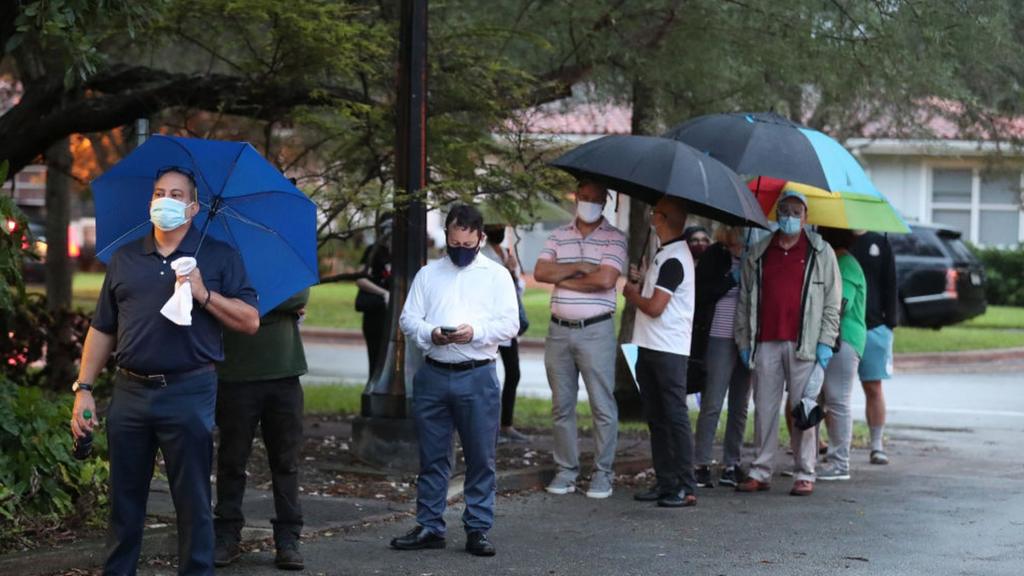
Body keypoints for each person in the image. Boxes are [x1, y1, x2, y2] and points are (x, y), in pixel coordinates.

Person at [70, 167, 259, 576]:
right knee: (124, 501)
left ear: (193, 207)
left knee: (191, 501)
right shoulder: (125, 258)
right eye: (159, 193)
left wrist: (204, 293)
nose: (165, 201)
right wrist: (84, 388)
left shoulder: (220, 255)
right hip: (130, 391)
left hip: (189, 391)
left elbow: (249, 321)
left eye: (176, 194)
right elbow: (103, 328)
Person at [391, 205, 519, 557]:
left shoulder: (496, 276)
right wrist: (433, 333)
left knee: (481, 457)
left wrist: (473, 333)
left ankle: (478, 528)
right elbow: (408, 319)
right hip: (433, 373)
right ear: (446, 236)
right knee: (432, 457)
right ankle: (430, 525)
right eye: (453, 241)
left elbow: (510, 324)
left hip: (477, 375)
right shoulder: (428, 274)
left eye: (467, 242)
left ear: (479, 237)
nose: (460, 248)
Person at [734, 190, 841, 497]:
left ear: (806, 217)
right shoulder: (759, 251)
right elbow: (744, 299)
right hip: (765, 341)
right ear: (775, 214)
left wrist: (826, 342)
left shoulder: (821, 252)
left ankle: (805, 472)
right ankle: (761, 469)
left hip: (804, 344)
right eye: (784, 211)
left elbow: (833, 304)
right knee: (764, 408)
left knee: (803, 410)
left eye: (796, 212)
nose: (790, 217)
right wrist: (743, 339)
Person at [534, 180, 627, 499]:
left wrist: (565, 276)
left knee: (602, 405)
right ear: (576, 197)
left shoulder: (615, 238)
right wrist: (579, 267)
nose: (588, 203)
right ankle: (566, 471)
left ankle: (603, 473)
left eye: (595, 199)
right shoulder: (559, 235)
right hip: (558, 331)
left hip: (596, 330)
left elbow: (606, 279)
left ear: (605, 201)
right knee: (562, 406)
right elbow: (541, 272)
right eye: (583, 197)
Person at [213, 288, 310, 570]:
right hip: (234, 374)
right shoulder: (223, 258)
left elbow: (297, 296)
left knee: (286, 462)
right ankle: (227, 535)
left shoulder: (278, 252)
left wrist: (239, 305)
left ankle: (288, 539)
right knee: (231, 460)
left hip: (285, 372)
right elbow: (209, 299)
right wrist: (271, 305)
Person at [625, 196, 698, 508]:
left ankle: (685, 484)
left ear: (664, 219)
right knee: (656, 416)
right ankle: (666, 480)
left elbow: (655, 307)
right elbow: (655, 295)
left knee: (674, 416)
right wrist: (641, 282)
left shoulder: (675, 259)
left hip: (668, 348)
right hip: (650, 344)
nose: (651, 216)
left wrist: (631, 294)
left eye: (655, 212)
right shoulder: (664, 254)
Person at [691, 224, 751, 488]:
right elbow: (701, 294)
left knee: (740, 404)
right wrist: (729, 280)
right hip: (718, 335)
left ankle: (732, 463)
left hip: (746, 338)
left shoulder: (754, 255)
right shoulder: (714, 255)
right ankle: (700, 463)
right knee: (713, 401)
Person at [816, 227, 867, 481]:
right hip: (835, 339)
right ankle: (815, 460)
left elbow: (840, 305)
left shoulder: (845, 264)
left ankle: (839, 463)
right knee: (821, 399)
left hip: (843, 339)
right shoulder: (835, 261)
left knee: (837, 400)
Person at [850, 230, 898, 465]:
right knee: (831, 393)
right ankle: (833, 448)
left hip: (874, 327)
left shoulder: (880, 241)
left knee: (873, 387)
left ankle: (877, 445)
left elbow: (891, 284)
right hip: (842, 327)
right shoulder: (834, 238)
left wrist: (889, 324)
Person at [481, 224, 529, 444]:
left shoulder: (506, 253)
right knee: (486, 377)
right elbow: (492, 288)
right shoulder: (482, 255)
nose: (498, 229)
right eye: (494, 226)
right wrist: (508, 272)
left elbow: (518, 288)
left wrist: (513, 270)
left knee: (513, 373)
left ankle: (506, 424)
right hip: (489, 323)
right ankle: (486, 427)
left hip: (508, 325)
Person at [355, 213, 393, 373]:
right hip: (376, 315)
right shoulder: (374, 250)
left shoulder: (404, 253)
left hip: (396, 316)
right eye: (387, 229)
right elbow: (360, 278)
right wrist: (383, 293)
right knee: (376, 361)